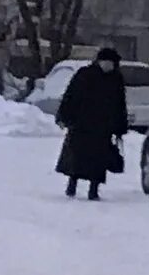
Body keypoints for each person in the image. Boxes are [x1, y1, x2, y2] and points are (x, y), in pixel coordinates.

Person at [55, 47, 130, 200]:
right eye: (105, 62)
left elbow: (120, 104)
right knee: (77, 157)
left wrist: (120, 126)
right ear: (99, 61)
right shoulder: (85, 74)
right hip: (81, 123)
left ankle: (93, 189)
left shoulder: (116, 79)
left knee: (99, 161)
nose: (108, 65)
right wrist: (64, 116)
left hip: (103, 127)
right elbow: (71, 95)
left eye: (111, 63)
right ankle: (72, 184)